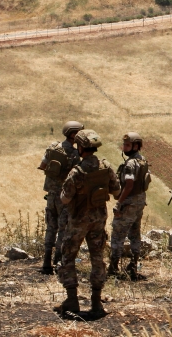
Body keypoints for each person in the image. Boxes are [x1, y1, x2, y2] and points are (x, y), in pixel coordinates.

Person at [56, 129, 120, 319]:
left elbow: (65, 199)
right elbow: (117, 192)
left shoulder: (78, 171)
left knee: (67, 256)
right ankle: (96, 301)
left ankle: (72, 299)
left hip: (78, 221)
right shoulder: (106, 167)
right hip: (99, 219)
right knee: (97, 258)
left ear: (81, 147)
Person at [37, 120, 83, 275]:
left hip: (51, 195)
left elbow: (42, 165)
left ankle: (45, 264)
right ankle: (58, 262)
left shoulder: (52, 148)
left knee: (50, 227)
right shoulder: (77, 154)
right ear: (74, 134)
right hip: (65, 197)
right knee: (62, 229)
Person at [109, 132, 151, 280]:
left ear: (136, 146)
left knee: (118, 234)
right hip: (139, 201)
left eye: (127, 145)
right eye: (124, 145)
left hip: (129, 202)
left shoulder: (130, 164)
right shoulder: (142, 160)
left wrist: (119, 202)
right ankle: (133, 265)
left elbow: (129, 185)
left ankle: (113, 267)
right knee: (135, 234)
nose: (124, 148)